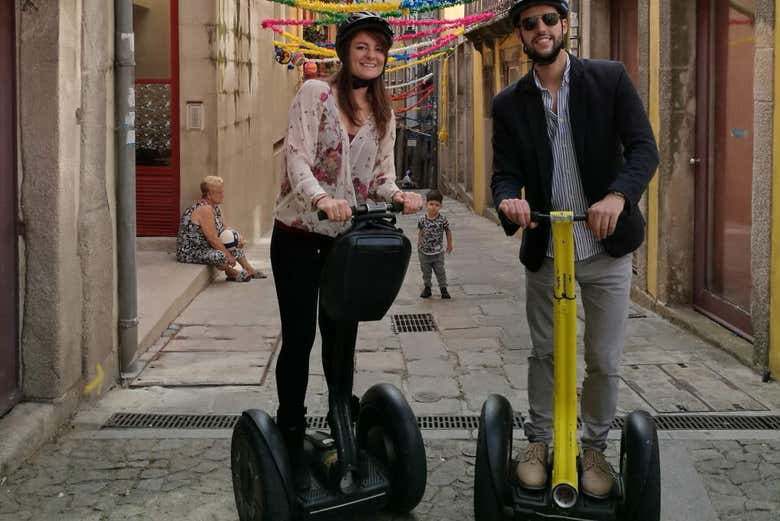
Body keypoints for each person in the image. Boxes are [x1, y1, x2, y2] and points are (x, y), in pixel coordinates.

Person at [491, 0, 659, 499]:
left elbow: (644, 148)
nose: (540, 30)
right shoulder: (509, 103)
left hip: (606, 250)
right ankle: (539, 442)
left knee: (603, 359)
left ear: (565, 26)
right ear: (520, 36)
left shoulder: (609, 80)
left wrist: (617, 195)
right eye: (529, 24)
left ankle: (594, 448)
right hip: (547, 249)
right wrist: (507, 200)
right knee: (544, 353)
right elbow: (504, 172)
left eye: (548, 21)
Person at [271, 12, 423, 490]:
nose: (371, 56)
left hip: (346, 243)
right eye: (362, 47)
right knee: (299, 337)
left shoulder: (384, 114)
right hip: (299, 233)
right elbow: (296, 155)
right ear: (345, 52)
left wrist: (398, 195)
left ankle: (342, 428)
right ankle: (291, 435)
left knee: (342, 340)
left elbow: (380, 178)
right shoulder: (315, 94)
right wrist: (320, 199)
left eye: (378, 49)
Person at [176, 175, 266, 282]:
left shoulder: (215, 207)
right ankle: (231, 272)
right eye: (219, 192)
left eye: (222, 191)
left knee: (233, 240)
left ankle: (249, 269)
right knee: (220, 255)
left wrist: (238, 237)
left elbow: (225, 229)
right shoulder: (205, 209)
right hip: (192, 251)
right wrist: (229, 256)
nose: (223, 195)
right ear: (209, 195)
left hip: (207, 247)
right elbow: (213, 239)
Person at [417, 190, 452, 299]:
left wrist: (449, 244)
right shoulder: (422, 219)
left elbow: (448, 231)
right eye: (431, 204)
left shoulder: (443, 220)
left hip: (438, 253)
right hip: (424, 252)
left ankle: (443, 289)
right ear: (426, 204)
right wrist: (419, 241)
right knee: (426, 272)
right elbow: (421, 231)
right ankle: (427, 288)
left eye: (437, 205)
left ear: (440, 206)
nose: (433, 207)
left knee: (440, 271)